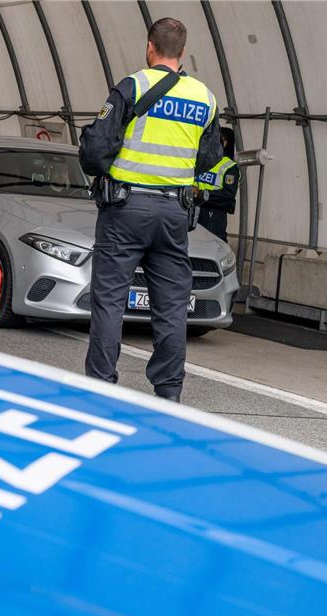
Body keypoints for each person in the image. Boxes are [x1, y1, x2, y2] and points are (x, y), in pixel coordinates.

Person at [79, 17, 222, 403]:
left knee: (109, 299)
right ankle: (168, 393)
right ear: (183, 52)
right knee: (172, 306)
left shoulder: (133, 86)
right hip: (174, 212)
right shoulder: (205, 98)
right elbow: (209, 159)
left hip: (125, 209)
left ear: (149, 47)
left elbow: (95, 152)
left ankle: (100, 385)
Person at [196, 127, 240, 242]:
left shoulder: (229, 167)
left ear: (225, 142)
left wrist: (201, 194)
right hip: (194, 209)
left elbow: (227, 196)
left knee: (212, 243)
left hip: (213, 214)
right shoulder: (202, 160)